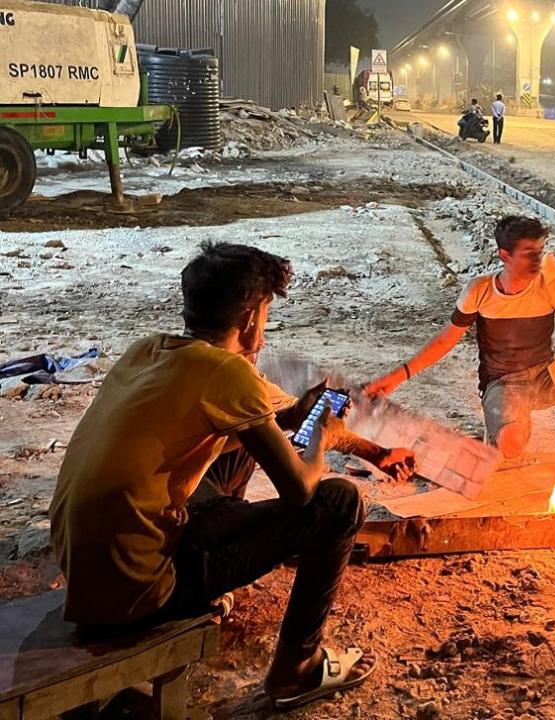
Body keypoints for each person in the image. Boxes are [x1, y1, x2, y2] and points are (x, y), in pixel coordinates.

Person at [50, 242, 418, 710]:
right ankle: (296, 670)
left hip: (89, 569)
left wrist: (369, 448)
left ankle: (214, 569)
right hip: (138, 591)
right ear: (249, 318)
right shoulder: (229, 375)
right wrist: (321, 436)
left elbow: (276, 416)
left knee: (238, 445)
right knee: (340, 502)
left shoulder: (149, 351)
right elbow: (300, 489)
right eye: (264, 314)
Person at [365, 215, 555, 459]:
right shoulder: (480, 291)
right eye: (529, 254)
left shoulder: (549, 286)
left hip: (548, 376)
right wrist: (396, 377)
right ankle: (497, 432)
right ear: (505, 255)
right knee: (511, 446)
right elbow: (446, 340)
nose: (538, 260)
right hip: (504, 383)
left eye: (540, 251)